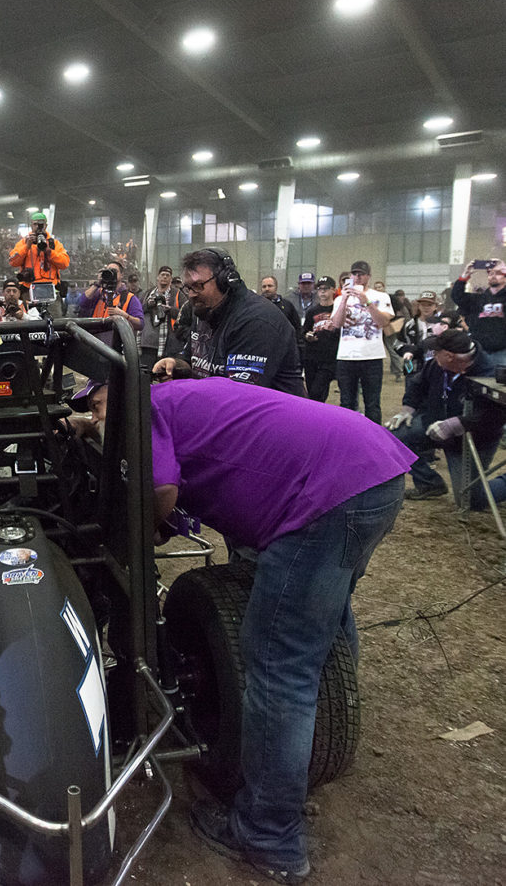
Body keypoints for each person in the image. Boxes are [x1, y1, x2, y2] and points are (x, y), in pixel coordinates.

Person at [147, 374, 414, 884]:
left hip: (328, 494)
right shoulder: (181, 395)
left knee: (277, 664)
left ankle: (269, 835)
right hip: (373, 470)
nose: (95, 417)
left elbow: (161, 492)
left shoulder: (146, 405)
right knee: (326, 618)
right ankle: (319, 736)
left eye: (94, 406)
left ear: (111, 391)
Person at [154, 249, 304, 395]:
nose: (191, 295)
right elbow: (191, 360)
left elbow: (238, 395)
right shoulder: (204, 310)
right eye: (188, 288)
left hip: (270, 417)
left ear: (225, 282)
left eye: (198, 286)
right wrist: (175, 364)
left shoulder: (256, 322)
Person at [385, 330, 504, 502]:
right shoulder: (437, 364)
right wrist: (407, 408)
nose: (433, 356)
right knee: (392, 437)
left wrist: (456, 424)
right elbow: (418, 383)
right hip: (433, 424)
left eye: (436, 353)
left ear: (449, 356)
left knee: (471, 499)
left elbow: (495, 418)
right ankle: (429, 483)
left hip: (471, 438)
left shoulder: (490, 373)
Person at [328, 261, 393, 423]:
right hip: (346, 357)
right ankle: (348, 437)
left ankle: (373, 438)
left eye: (361, 274)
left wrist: (367, 303)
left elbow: (383, 322)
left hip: (372, 356)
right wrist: (344, 299)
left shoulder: (381, 296)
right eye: (354, 274)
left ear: (368, 277)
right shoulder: (339, 299)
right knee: (346, 402)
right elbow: (337, 323)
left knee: (372, 403)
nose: (357, 277)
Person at [8, 212, 70, 316]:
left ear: (46, 225)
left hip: (51, 291)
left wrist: (48, 251)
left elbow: (64, 263)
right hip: (29, 291)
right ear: (31, 225)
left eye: (41, 224)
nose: (38, 227)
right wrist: (27, 246)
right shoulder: (23, 243)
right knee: (29, 324)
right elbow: (13, 261)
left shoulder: (54, 244)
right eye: (35, 224)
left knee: (56, 324)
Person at [451, 258, 506, 366]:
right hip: (479, 351)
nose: (493, 276)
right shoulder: (477, 300)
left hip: (502, 350)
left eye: (498, 273)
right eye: (490, 273)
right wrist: (465, 275)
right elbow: (457, 296)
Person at [300, 277, 340, 402]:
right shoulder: (312, 311)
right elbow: (304, 331)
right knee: (312, 392)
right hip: (312, 356)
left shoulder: (338, 310)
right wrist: (308, 336)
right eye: (320, 289)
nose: (322, 292)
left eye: (326, 289)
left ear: (333, 290)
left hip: (329, 357)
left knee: (318, 390)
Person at [140, 265, 185, 372]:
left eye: (167, 275)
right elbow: (138, 311)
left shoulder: (178, 294)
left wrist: (170, 310)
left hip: (169, 345)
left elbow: (185, 315)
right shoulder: (147, 294)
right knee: (146, 375)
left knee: (164, 376)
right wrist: (148, 305)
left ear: (171, 278)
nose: (165, 277)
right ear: (158, 277)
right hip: (148, 344)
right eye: (162, 275)